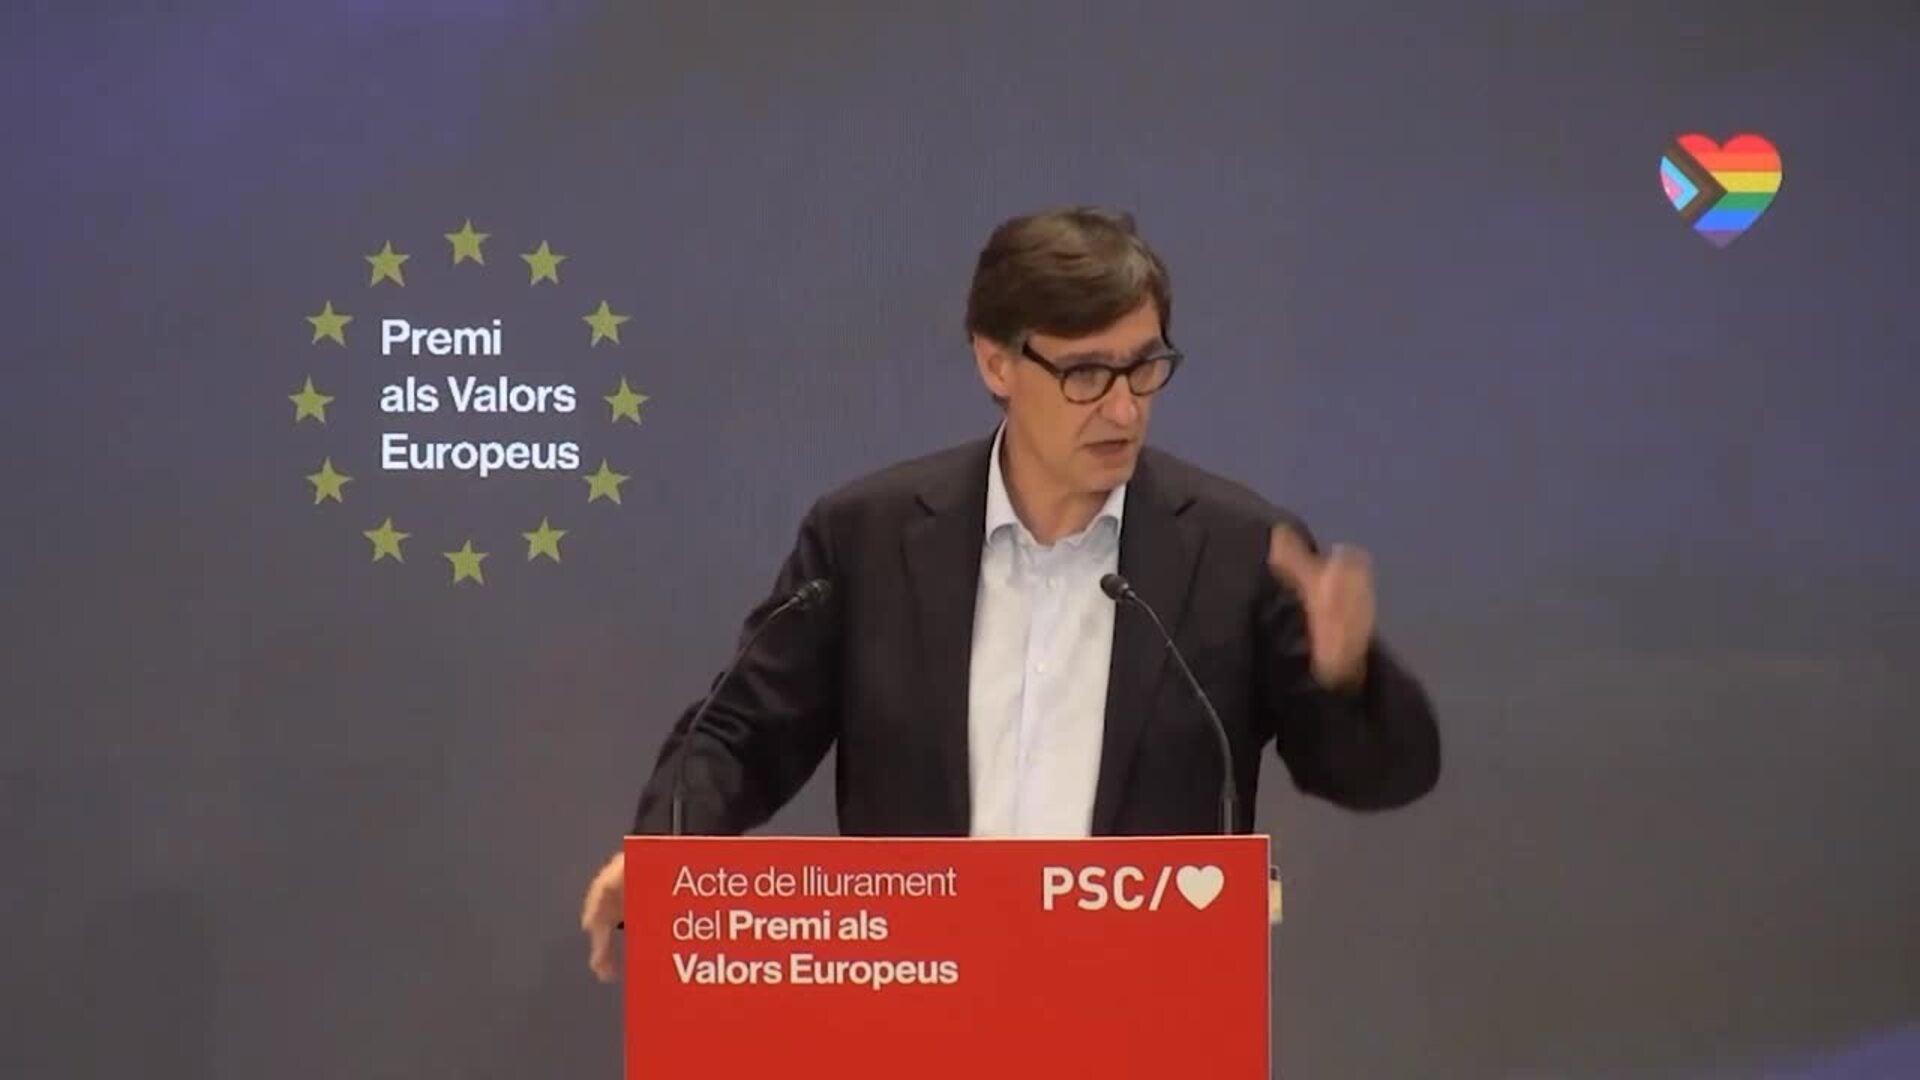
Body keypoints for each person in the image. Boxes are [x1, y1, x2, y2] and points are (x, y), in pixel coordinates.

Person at [580, 206, 1440, 980]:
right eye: (1086, 374)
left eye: (1145, 367)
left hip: (1144, 1020)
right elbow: (739, 730)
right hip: (916, 1009)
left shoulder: (1237, 550)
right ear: (996, 362)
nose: (1124, 410)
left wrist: (1348, 677)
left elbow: (1377, 776)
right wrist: (664, 859)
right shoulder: (868, 538)